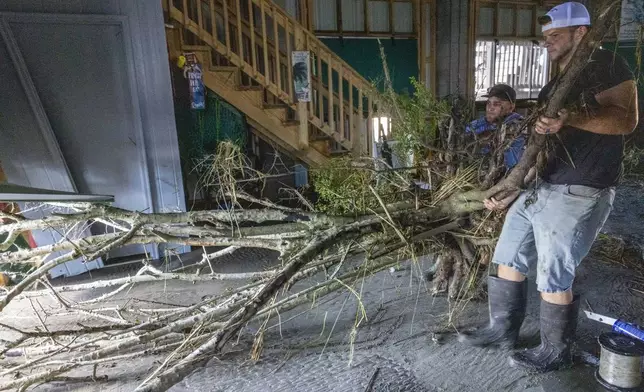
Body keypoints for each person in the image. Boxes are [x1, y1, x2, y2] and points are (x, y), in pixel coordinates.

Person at [459, 1, 638, 373]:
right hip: (542, 184)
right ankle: (501, 330)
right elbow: (540, 147)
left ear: (582, 33)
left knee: (554, 270)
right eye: (545, 37)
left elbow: (625, 120)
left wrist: (572, 117)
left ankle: (556, 350)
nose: (547, 42)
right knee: (507, 254)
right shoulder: (557, 80)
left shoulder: (607, 65)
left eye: (555, 36)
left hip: (580, 188)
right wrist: (514, 186)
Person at [466, 84, 526, 169]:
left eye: (496, 104)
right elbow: (466, 131)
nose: (490, 108)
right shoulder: (481, 123)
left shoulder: (519, 128)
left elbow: (513, 163)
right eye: (488, 103)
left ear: (511, 107)